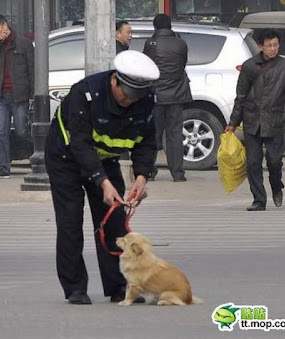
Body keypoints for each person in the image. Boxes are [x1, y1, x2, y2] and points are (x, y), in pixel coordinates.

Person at [45, 50, 159, 304]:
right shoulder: (84, 94)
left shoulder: (146, 100)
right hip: (66, 158)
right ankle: (75, 287)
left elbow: (147, 142)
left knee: (114, 223)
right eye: (126, 94)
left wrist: (142, 177)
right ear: (114, 81)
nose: (130, 101)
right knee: (70, 222)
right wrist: (103, 182)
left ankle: (119, 286)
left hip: (105, 159)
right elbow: (81, 145)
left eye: (136, 97)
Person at [225, 28, 285, 211]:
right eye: (269, 45)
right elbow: (241, 97)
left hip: (275, 121)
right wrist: (233, 123)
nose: (273, 49)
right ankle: (259, 199)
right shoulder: (249, 66)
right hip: (252, 120)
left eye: (275, 45)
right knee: (253, 162)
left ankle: (277, 186)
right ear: (261, 46)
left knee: (274, 160)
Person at [0, 14, 34, 179]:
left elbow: (32, 70)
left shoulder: (23, 44)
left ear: (4, 25)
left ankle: (38, 161)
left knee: (21, 131)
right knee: (1, 132)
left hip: (19, 95)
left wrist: (32, 95)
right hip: (1, 94)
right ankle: (3, 168)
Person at [143, 14, 192, 182]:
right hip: (177, 95)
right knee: (175, 135)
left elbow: (147, 67)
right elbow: (183, 63)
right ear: (170, 26)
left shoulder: (151, 43)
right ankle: (178, 173)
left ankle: (150, 171)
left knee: (153, 134)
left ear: (155, 26)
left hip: (156, 95)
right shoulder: (181, 43)